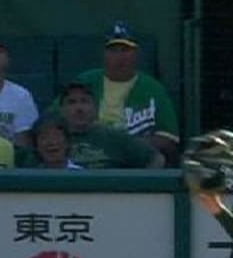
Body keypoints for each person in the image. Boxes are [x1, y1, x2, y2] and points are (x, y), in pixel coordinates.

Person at [74, 21, 179, 165]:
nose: (119, 57)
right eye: (113, 50)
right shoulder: (85, 81)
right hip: (88, 159)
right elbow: (56, 121)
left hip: (134, 162)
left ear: (136, 54)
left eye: (125, 50)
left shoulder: (154, 89)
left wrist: (128, 148)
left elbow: (169, 139)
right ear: (103, 54)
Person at [56, 82, 163, 169]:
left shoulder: (114, 137)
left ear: (95, 108)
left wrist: (141, 189)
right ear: (61, 110)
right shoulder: (53, 139)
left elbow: (157, 159)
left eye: (84, 101)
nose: (79, 108)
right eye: (71, 102)